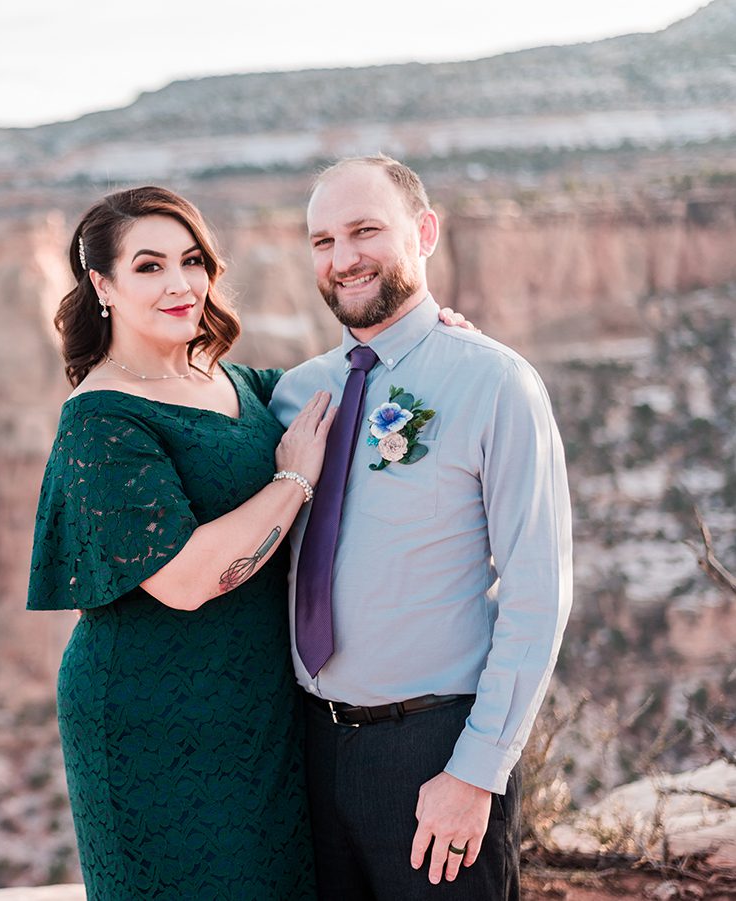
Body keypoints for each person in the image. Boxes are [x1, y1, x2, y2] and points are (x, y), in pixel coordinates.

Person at [268, 155, 573, 900]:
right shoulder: (292, 395)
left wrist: (476, 772)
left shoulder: (494, 382)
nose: (344, 259)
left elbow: (539, 590)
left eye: (366, 231)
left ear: (425, 231)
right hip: (308, 751)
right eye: (323, 241)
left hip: (434, 752)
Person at [27, 185, 332, 898]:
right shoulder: (99, 419)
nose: (179, 282)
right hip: (149, 719)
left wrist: (428, 337)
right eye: (148, 266)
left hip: (255, 706)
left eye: (191, 260)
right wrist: (293, 480)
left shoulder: (234, 380)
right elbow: (186, 578)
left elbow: (345, 390)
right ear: (102, 284)